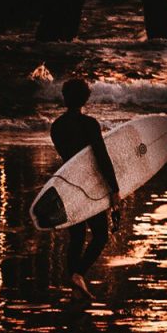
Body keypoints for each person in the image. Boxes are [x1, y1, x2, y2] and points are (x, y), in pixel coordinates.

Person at [50, 77, 119, 298]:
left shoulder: (57, 126)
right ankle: (78, 274)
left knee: (77, 236)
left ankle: (75, 282)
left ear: (64, 97)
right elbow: (101, 157)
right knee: (100, 235)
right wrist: (114, 188)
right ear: (86, 98)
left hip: (68, 183)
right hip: (90, 184)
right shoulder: (90, 124)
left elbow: (68, 156)